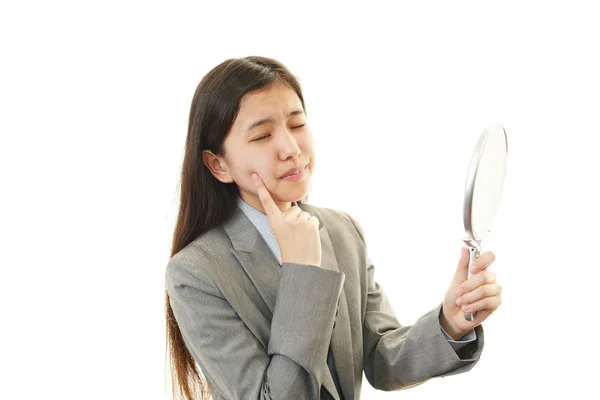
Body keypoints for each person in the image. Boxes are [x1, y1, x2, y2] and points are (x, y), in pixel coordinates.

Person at [164, 56, 502, 400]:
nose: (291, 149)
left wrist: (450, 322)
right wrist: (303, 273)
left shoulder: (342, 231)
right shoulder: (195, 273)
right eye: (263, 135)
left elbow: (381, 359)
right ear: (218, 164)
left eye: (297, 125)